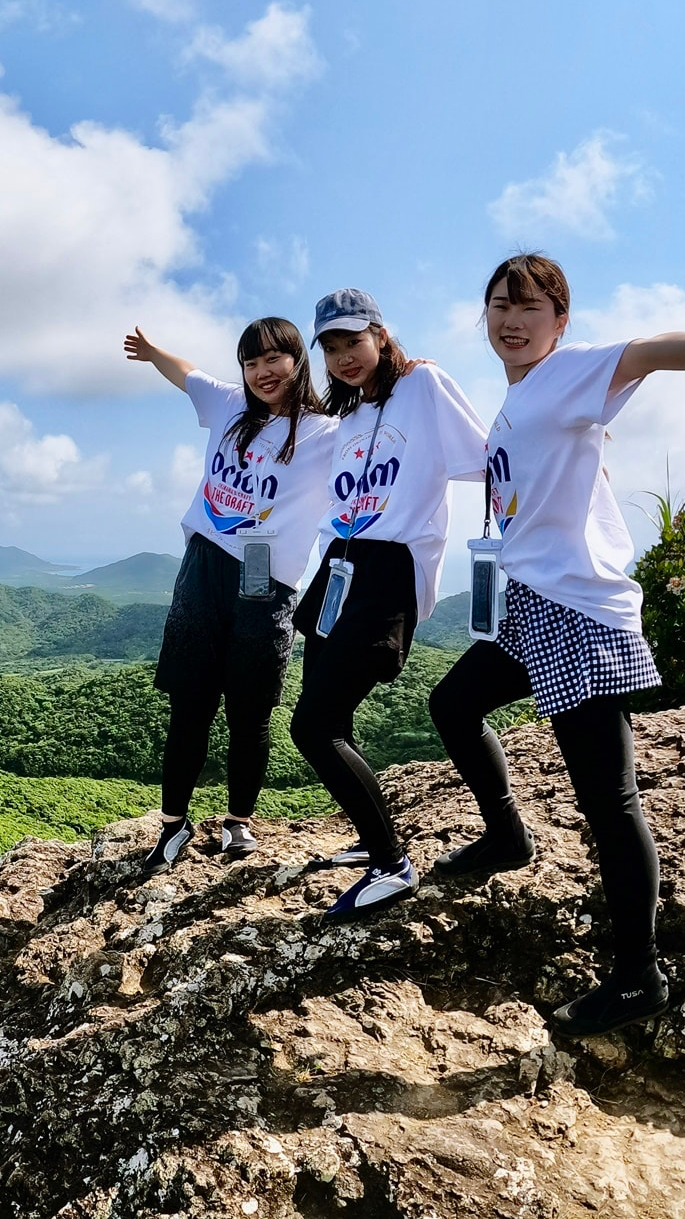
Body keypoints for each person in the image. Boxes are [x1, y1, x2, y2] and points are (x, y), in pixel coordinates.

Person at [429, 252, 685, 1038]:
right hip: (530, 604)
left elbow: (653, 351)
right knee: (452, 704)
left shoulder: (568, 376)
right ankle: (506, 835)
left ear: (562, 321)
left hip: (578, 612)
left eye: (530, 306)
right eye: (497, 305)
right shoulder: (517, 402)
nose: (511, 319)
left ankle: (637, 975)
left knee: (609, 801)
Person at [287, 288, 489, 920]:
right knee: (328, 718)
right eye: (332, 347)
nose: (345, 356)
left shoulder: (423, 386)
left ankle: (390, 864)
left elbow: (487, 460)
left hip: (388, 569)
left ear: (380, 333)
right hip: (339, 569)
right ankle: (371, 836)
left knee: (311, 727)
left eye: (354, 340)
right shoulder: (348, 417)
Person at [124, 317, 337, 875]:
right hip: (204, 568)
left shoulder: (327, 432)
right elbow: (187, 373)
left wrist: (407, 373)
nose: (261, 372)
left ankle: (239, 821)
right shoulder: (228, 407)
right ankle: (173, 825)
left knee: (251, 711)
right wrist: (151, 352)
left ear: (298, 361)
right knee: (189, 704)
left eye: (274, 359)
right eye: (250, 362)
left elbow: (387, 424)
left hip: (266, 583)